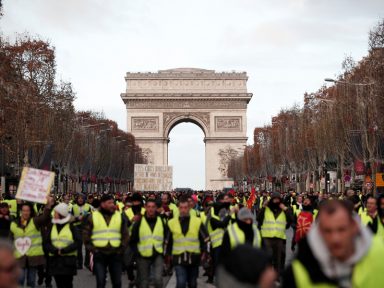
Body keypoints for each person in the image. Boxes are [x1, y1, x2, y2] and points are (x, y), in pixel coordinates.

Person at [282, 199, 384, 288]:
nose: (335, 239)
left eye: (341, 229)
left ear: (355, 228)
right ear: (319, 232)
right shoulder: (299, 270)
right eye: (328, 231)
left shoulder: (380, 253)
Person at [83, 194, 129, 288]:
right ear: (103, 204)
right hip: (99, 253)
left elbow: (125, 234)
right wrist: (93, 249)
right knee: (100, 281)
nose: (112, 204)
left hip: (115, 253)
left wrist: (122, 249)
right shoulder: (93, 216)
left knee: (117, 282)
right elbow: (86, 234)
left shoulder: (119, 216)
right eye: (109, 203)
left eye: (113, 202)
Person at [165, 196, 210, 288]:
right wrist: (167, 257)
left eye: (185, 208)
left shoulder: (197, 222)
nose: (183, 210)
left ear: (189, 208)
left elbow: (205, 239)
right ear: (178, 208)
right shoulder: (171, 223)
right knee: (181, 283)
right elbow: (167, 241)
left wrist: (205, 253)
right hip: (178, 258)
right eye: (181, 208)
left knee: (192, 284)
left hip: (194, 258)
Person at [10, 197, 54, 288]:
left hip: (32, 257)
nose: (25, 212)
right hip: (19, 257)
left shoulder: (35, 221)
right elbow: (10, 239)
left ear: (30, 212)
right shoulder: (14, 223)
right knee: (20, 279)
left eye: (27, 210)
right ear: (20, 211)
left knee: (31, 280)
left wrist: (48, 205)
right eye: (23, 210)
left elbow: (45, 217)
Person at [130, 199, 167, 288]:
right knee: (144, 282)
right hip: (143, 255)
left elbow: (166, 235)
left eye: (153, 207)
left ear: (156, 208)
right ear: (145, 208)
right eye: (149, 207)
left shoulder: (161, 221)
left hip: (158, 253)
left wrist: (166, 252)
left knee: (158, 280)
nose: (151, 209)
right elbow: (133, 240)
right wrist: (137, 253)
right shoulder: (139, 223)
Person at [44, 203, 80, 288]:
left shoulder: (71, 227)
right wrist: (55, 250)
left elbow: (78, 242)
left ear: (61, 214)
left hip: (68, 261)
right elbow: (46, 243)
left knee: (67, 284)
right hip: (55, 260)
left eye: (56, 213)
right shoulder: (52, 226)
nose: (54, 214)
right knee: (59, 284)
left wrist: (64, 250)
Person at [257, 192, 293, 276]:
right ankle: (268, 275)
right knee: (268, 257)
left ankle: (277, 275)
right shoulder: (266, 209)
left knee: (279, 259)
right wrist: (263, 207)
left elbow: (291, 219)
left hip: (279, 237)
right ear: (272, 199)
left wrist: (285, 209)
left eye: (278, 199)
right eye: (274, 199)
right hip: (267, 237)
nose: (276, 201)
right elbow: (258, 218)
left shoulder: (284, 209)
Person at [72, 193, 92, 269]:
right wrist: (77, 218)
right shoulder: (73, 207)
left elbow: (92, 216)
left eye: (82, 198)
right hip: (77, 227)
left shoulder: (88, 206)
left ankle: (87, 263)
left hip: (86, 227)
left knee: (87, 247)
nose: (80, 199)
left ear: (84, 199)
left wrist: (86, 216)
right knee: (78, 247)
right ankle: (79, 263)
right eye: (79, 198)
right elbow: (70, 217)